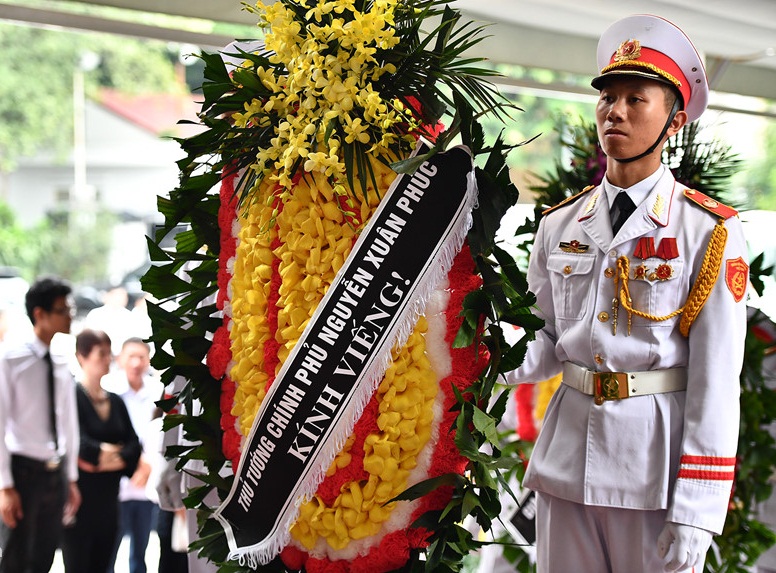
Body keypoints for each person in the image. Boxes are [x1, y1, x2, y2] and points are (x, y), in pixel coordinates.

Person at [505, 14, 748, 573]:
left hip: (652, 471)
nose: (614, 111)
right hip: (567, 458)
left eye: (636, 99)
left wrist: (699, 508)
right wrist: (478, 356)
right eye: (608, 97)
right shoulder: (560, 224)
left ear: (675, 120)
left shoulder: (706, 230)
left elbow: (717, 376)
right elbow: (544, 341)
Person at [0, 276, 81, 572]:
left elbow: (68, 422)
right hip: (22, 472)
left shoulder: (61, 361)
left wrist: (70, 477)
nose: (69, 315)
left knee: (44, 556)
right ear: (40, 314)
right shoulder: (11, 358)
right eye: (62, 309)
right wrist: (5, 486)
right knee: (16, 556)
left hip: (54, 473)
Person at [61, 328, 141, 573]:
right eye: (101, 354)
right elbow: (79, 447)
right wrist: (109, 453)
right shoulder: (71, 396)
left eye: (109, 353)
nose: (107, 359)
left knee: (104, 565)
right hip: (80, 502)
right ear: (82, 357)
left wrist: (102, 459)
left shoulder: (115, 400)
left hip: (109, 501)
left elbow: (134, 447)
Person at [103, 337, 164, 573]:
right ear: (120, 360)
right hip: (115, 480)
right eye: (131, 356)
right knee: (109, 549)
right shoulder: (109, 389)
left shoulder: (157, 390)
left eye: (142, 357)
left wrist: (147, 464)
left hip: (146, 484)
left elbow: (161, 430)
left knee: (141, 553)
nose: (137, 362)